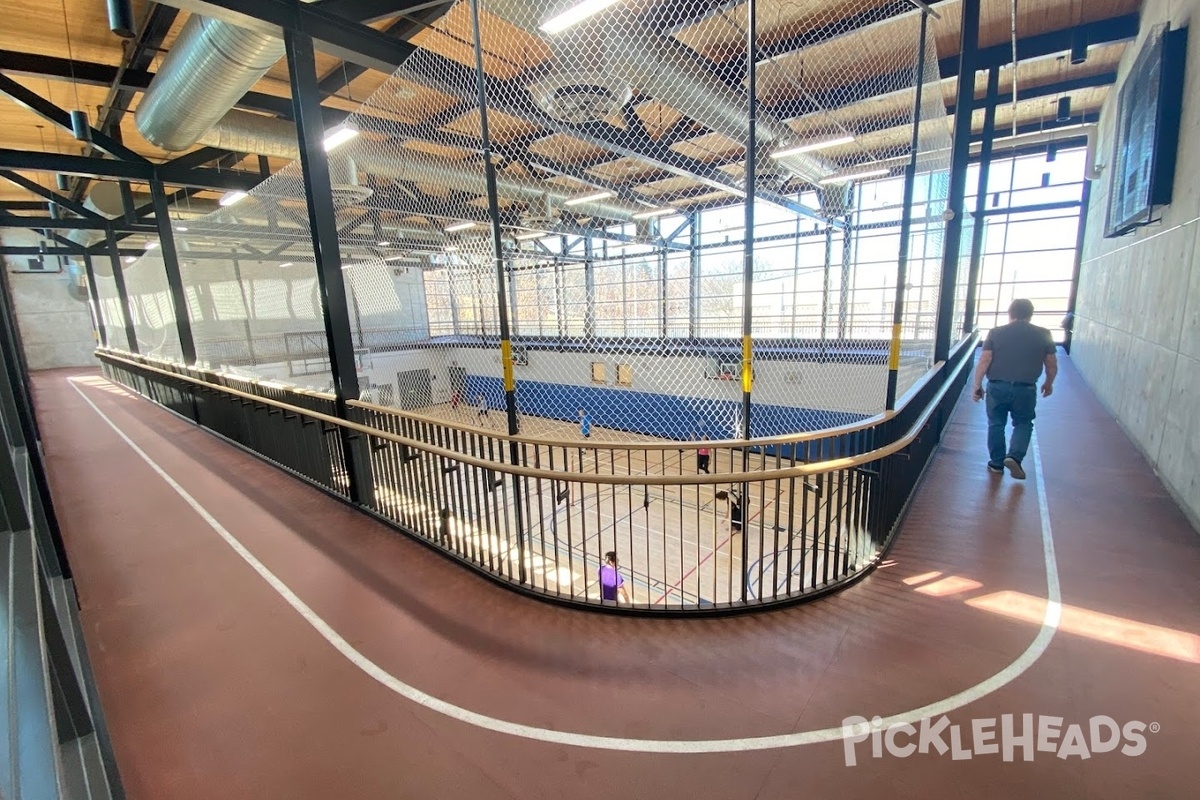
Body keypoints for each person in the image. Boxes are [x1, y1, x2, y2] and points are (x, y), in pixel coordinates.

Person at [973, 298, 1057, 480]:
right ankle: (1015, 457)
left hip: (997, 386)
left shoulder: (996, 333)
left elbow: (984, 360)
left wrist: (977, 385)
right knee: (1023, 423)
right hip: (1025, 388)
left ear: (1010, 313)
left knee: (996, 424)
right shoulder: (1044, 334)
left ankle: (996, 464)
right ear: (1030, 314)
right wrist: (1049, 383)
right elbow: (1051, 363)